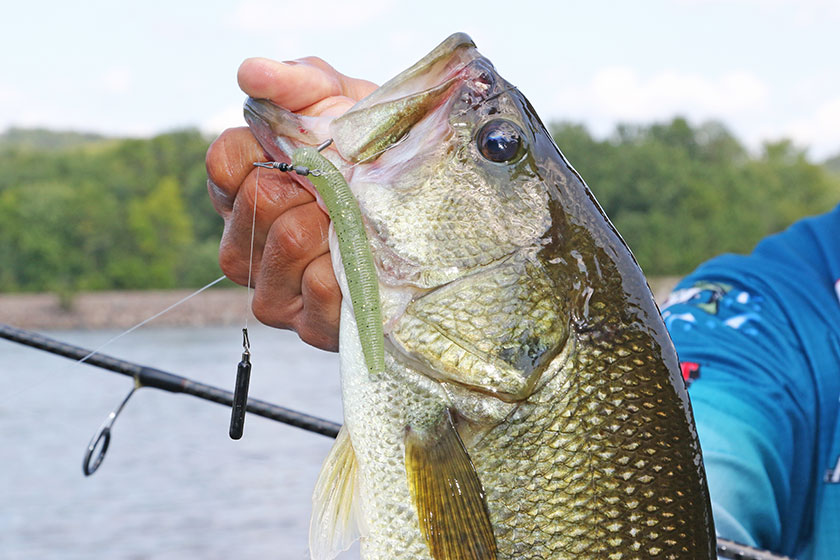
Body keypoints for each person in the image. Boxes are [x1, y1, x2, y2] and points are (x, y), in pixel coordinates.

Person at [206, 55, 840, 560]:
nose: (472, 99)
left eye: (498, 146)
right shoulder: (778, 309)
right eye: (500, 147)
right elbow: (712, 455)